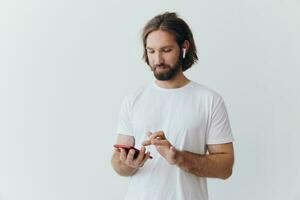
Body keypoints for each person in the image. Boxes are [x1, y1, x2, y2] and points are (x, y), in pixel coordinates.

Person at [111, 11, 234, 200]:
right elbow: (117, 163)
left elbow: (225, 168)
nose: (157, 60)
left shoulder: (209, 100)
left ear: (184, 47)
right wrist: (128, 163)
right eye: (151, 51)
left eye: (166, 50)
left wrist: (179, 158)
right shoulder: (134, 99)